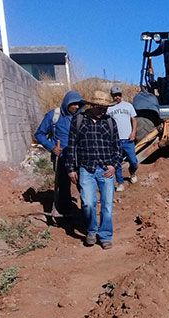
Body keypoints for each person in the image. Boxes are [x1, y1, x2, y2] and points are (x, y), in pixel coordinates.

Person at [66, 90, 121, 250]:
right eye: (101, 107)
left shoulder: (110, 122)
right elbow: (71, 146)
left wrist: (114, 165)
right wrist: (70, 168)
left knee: (107, 205)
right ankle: (91, 230)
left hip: (106, 169)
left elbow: (117, 147)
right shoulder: (79, 120)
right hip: (86, 169)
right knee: (88, 204)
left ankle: (105, 236)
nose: (104, 110)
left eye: (106, 108)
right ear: (93, 105)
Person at [34, 90, 85, 216]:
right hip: (61, 157)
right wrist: (52, 147)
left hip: (80, 157)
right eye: (73, 104)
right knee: (63, 186)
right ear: (67, 103)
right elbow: (39, 134)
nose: (76, 107)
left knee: (84, 184)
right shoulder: (54, 115)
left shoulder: (82, 117)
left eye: (78, 104)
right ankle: (66, 213)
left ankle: (86, 213)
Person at [107, 85, 138, 192]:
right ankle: (120, 183)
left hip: (128, 139)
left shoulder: (128, 106)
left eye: (119, 95)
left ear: (121, 95)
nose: (117, 97)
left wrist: (133, 132)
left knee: (133, 161)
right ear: (112, 96)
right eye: (115, 95)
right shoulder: (109, 108)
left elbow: (134, 119)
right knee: (117, 163)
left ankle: (133, 173)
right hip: (115, 141)